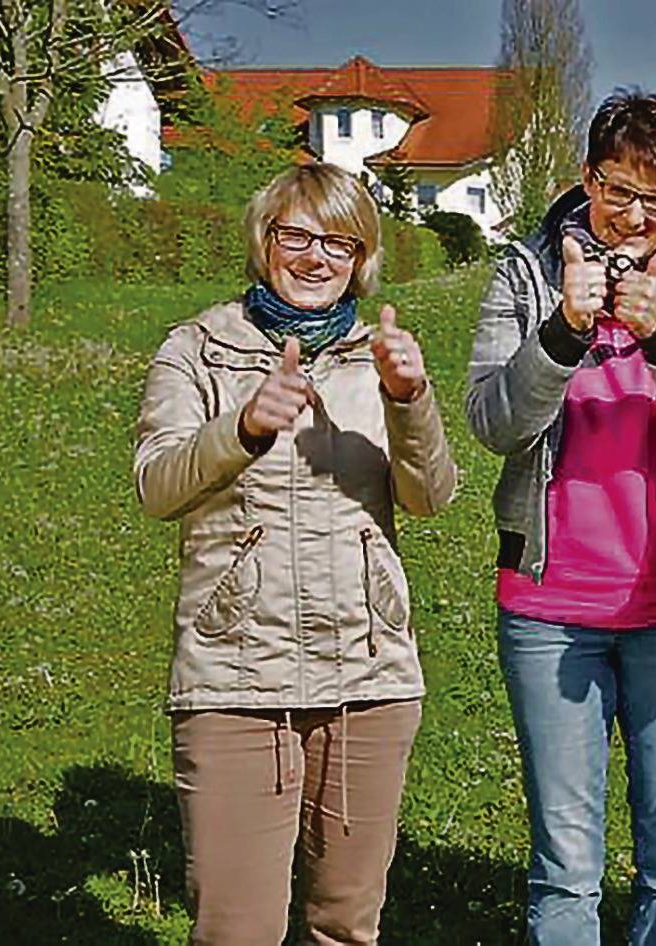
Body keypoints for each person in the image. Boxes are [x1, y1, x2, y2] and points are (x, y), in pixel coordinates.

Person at [465, 89, 656, 944]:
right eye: (617, 190)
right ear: (586, 178)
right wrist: (563, 329)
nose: (634, 217)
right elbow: (494, 423)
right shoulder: (524, 277)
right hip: (549, 609)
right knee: (565, 862)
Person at [133, 162, 457, 945]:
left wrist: (410, 402)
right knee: (235, 930)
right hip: (235, 676)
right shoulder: (197, 349)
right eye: (297, 236)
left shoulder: (380, 357)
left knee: (346, 926)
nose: (316, 258)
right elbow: (155, 487)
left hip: (369, 673)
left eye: (339, 243)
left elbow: (430, 495)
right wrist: (242, 429)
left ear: (362, 257)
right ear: (264, 240)